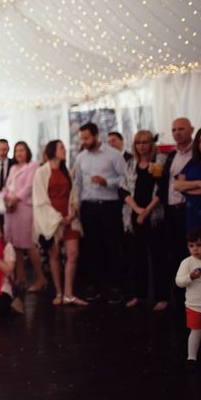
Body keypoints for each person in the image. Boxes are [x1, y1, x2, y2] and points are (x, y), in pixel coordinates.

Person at [74, 122, 126, 302]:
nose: (84, 141)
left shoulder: (114, 155)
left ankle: (115, 287)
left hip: (109, 206)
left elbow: (125, 179)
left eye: (87, 138)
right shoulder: (81, 158)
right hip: (89, 206)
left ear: (96, 136)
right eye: (82, 139)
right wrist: (78, 207)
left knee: (112, 245)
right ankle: (94, 285)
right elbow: (78, 184)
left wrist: (107, 182)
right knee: (91, 247)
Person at [119, 131, 169, 311]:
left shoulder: (160, 161)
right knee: (136, 257)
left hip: (154, 216)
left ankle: (162, 297)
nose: (141, 146)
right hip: (134, 214)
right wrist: (137, 209)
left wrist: (146, 211)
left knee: (158, 258)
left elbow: (162, 191)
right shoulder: (131, 164)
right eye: (138, 142)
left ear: (151, 143)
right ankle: (138, 294)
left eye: (145, 142)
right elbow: (123, 190)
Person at [33, 140, 86, 306]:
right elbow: (39, 198)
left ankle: (69, 293)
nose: (64, 150)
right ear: (53, 151)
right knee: (54, 255)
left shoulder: (66, 171)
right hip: (52, 219)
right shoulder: (41, 172)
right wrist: (57, 218)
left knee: (73, 253)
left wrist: (73, 211)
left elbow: (73, 194)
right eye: (61, 147)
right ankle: (59, 292)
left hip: (69, 217)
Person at [159, 117, 195, 310]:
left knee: (193, 254)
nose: (177, 133)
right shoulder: (171, 156)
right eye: (174, 129)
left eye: (181, 129)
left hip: (190, 210)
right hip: (171, 211)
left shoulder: (196, 155)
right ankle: (179, 298)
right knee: (174, 255)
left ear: (191, 130)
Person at [2, 141, 44, 291]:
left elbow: (29, 186)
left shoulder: (33, 165)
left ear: (27, 152)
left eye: (22, 150)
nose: (19, 153)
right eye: (17, 151)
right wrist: (5, 199)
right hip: (11, 210)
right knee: (15, 245)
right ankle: (20, 277)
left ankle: (40, 278)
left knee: (29, 245)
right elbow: (6, 187)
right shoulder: (13, 167)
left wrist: (15, 199)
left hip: (24, 208)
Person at [175, 225, 201, 371]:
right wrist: (189, 277)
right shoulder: (187, 263)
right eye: (191, 246)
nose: (195, 249)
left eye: (199, 245)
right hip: (194, 305)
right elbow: (179, 282)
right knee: (196, 332)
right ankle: (191, 357)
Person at [175, 127, 201, 232]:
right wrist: (199, 183)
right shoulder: (193, 163)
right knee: (194, 246)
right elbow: (177, 186)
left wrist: (187, 187)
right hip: (192, 215)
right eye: (200, 141)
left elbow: (183, 187)